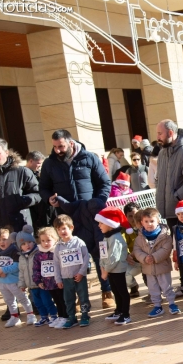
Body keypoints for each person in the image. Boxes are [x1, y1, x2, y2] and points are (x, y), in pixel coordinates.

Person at [40, 129, 114, 309]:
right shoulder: (49, 164)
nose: (58, 150)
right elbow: (43, 188)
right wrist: (49, 198)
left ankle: (107, 291)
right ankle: (80, 294)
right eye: (55, 146)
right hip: (67, 217)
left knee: (98, 253)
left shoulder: (89, 158)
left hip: (91, 214)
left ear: (70, 143)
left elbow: (104, 183)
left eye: (61, 146)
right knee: (72, 257)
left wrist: (98, 202)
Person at [0, 139, 40, 244]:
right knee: (2, 259)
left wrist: (22, 200)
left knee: (23, 259)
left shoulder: (22, 172)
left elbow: (37, 193)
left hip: (20, 226)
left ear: (6, 153)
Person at [154, 119, 183, 230]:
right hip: (169, 212)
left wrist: (176, 197)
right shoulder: (162, 153)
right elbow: (159, 179)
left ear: (170, 133)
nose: (157, 138)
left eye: (160, 133)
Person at [133, 207, 179, 317]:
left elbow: (166, 249)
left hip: (162, 266)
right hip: (148, 268)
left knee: (166, 286)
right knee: (152, 288)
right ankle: (157, 306)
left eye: (152, 221)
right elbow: (137, 250)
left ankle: (172, 304)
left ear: (158, 221)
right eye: (146, 221)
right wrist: (144, 258)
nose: (149, 224)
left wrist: (154, 257)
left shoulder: (164, 236)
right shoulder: (139, 238)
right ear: (142, 223)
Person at [95, 207, 131, 326]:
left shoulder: (115, 238)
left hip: (117, 269)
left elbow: (113, 257)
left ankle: (125, 314)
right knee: (115, 291)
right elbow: (103, 254)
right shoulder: (106, 237)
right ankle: (118, 311)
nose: (99, 225)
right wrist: (102, 267)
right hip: (110, 270)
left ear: (110, 224)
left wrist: (106, 270)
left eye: (101, 223)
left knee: (122, 291)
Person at [53, 214, 90, 329]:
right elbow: (56, 264)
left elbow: (86, 258)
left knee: (83, 297)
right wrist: (58, 279)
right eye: (58, 229)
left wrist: (81, 273)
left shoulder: (79, 242)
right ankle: (71, 317)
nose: (61, 231)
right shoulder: (58, 247)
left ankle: (85, 316)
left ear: (71, 228)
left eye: (64, 228)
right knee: (68, 299)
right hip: (66, 278)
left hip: (79, 276)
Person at [0, 227, 35, 327]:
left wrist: (3, 270)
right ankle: (14, 317)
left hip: (14, 281)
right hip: (3, 282)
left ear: (11, 240)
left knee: (22, 298)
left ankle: (30, 315)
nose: (1, 242)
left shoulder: (14, 251)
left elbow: (17, 265)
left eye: (4, 239)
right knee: (9, 300)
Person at [17, 225, 56, 327]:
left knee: (47, 301)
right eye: (24, 244)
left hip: (41, 283)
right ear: (20, 246)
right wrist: (22, 284)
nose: (27, 245)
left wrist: (42, 280)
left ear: (34, 242)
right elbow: (21, 272)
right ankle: (44, 317)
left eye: (29, 242)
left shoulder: (38, 253)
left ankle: (54, 315)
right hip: (31, 286)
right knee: (38, 303)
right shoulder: (21, 258)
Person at [33, 227, 67, 327]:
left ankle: (66, 316)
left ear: (55, 239)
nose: (45, 243)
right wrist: (38, 281)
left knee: (62, 299)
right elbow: (36, 269)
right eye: (43, 241)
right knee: (56, 300)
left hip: (59, 281)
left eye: (48, 240)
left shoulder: (58, 251)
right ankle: (60, 316)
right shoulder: (38, 255)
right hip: (48, 283)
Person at [25, 151, 55, 230]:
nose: (40, 166)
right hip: (34, 210)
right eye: (39, 163)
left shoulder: (39, 173)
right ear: (31, 161)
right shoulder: (23, 174)